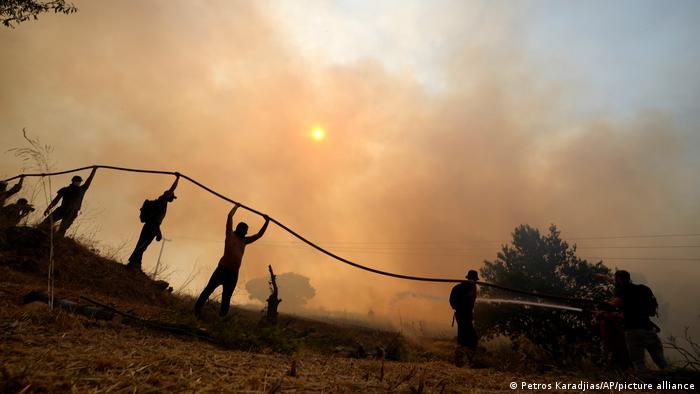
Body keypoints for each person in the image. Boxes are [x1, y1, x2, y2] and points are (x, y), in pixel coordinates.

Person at [194, 204, 270, 318]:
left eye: (246, 231)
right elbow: (229, 217)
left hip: (233, 273)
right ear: (239, 229)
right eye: (244, 231)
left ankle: (221, 318)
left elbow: (259, 235)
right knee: (209, 289)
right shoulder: (230, 235)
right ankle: (196, 310)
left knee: (226, 297)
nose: (246, 233)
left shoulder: (244, 241)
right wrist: (236, 207)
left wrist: (267, 222)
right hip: (222, 269)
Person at [607, 270, 668, 371]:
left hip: (633, 330)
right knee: (661, 361)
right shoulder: (643, 289)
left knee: (638, 362)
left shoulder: (622, 290)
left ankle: (645, 384)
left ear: (618, 279)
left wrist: (604, 306)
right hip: (649, 329)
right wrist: (607, 278)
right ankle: (672, 382)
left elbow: (615, 304)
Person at [126, 173, 180, 271]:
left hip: (151, 226)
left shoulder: (161, 202)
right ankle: (133, 263)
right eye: (172, 196)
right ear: (168, 196)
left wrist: (158, 232)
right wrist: (177, 178)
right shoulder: (163, 200)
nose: (173, 198)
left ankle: (136, 263)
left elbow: (156, 221)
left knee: (143, 244)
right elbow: (172, 188)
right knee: (143, 245)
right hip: (152, 226)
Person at [41, 167, 97, 236]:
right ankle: (41, 233)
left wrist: (94, 170)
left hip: (72, 212)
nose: (79, 183)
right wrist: (48, 208)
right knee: (46, 222)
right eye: (77, 181)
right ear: (73, 181)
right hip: (62, 209)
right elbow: (56, 200)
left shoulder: (82, 190)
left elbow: (89, 180)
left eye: (79, 182)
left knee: (62, 229)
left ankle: (58, 241)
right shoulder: (65, 189)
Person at [449, 269, 479, 367]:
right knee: (470, 339)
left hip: (466, 316)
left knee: (467, 339)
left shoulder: (471, 287)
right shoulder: (461, 287)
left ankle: (465, 360)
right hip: (462, 316)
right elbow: (453, 301)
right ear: (471, 279)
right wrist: (460, 306)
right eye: (474, 280)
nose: (475, 282)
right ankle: (461, 361)